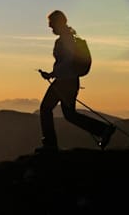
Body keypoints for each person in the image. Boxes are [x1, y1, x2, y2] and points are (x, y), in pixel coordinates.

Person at [37, 10, 116, 152]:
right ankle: (103, 130)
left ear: (58, 23)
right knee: (69, 115)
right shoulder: (70, 38)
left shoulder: (64, 40)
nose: (50, 27)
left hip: (64, 82)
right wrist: (53, 74)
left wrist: (52, 74)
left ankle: (50, 144)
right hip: (70, 81)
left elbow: (67, 61)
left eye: (51, 23)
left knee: (46, 108)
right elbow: (68, 62)